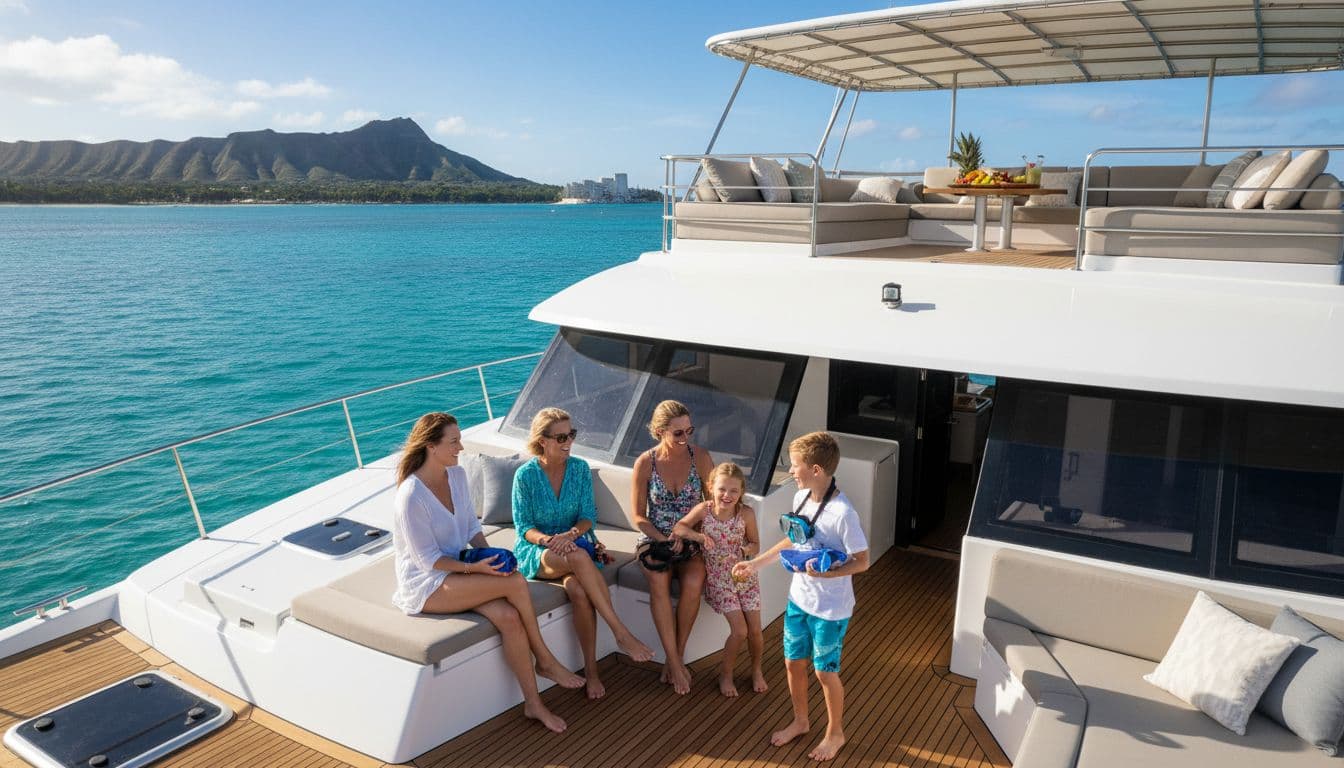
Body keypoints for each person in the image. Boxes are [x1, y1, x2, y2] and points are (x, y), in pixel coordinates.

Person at [390, 412, 583, 734]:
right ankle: (545, 659)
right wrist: (475, 568)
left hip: (462, 570)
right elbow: (426, 560)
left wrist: (491, 557)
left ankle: (534, 704)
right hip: (427, 584)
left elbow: (470, 528)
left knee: (509, 617)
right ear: (431, 446)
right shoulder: (411, 496)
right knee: (517, 582)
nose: (461, 447)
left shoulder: (456, 476)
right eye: (453, 442)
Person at [733, 431, 870, 762]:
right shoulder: (801, 498)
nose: (792, 471)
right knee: (793, 664)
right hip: (799, 601)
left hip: (831, 609)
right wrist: (756, 564)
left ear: (817, 469)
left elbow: (862, 561)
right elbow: (793, 541)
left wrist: (829, 573)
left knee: (825, 672)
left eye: (796, 466)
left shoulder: (843, 514)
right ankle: (801, 721)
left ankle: (835, 734)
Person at [513, 407, 654, 700]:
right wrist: (552, 540)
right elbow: (524, 527)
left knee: (578, 590)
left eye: (572, 434)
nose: (569, 441)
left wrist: (571, 535)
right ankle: (620, 632)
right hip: (538, 551)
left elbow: (588, 515)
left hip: (573, 543)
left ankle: (591, 673)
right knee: (577, 557)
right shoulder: (524, 476)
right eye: (562, 436)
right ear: (543, 440)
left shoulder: (578, 469)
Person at [630, 399, 715, 695]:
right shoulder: (645, 463)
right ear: (660, 431)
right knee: (658, 580)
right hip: (657, 539)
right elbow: (639, 516)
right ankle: (677, 664)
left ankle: (674, 658)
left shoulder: (701, 457)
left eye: (689, 430)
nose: (685, 438)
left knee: (693, 580)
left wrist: (691, 534)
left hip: (691, 539)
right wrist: (663, 538)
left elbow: (713, 507)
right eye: (678, 433)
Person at [673, 462, 766, 698]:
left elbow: (755, 543)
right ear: (711, 487)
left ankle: (756, 670)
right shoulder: (704, 510)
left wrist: (747, 549)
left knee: (755, 631)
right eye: (722, 489)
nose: (727, 495)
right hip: (718, 579)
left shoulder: (746, 514)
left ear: (741, 492)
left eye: (734, 491)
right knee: (740, 631)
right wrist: (700, 537)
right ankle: (726, 674)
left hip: (743, 576)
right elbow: (680, 527)